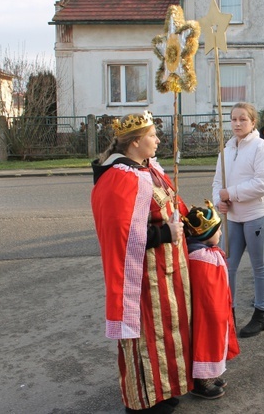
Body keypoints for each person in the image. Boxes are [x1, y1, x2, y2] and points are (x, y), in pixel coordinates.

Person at [91, 111, 192, 413]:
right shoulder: (120, 179)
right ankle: (145, 400)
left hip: (166, 271)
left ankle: (164, 389)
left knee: (168, 331)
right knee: (146, 335)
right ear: (135, 142)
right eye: (152, 136)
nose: (158, 140)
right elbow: (121, 234)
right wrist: (164, 233)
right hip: (142, 276)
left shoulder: (148, 168)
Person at [213, 102, 264, 338]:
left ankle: (261, 314)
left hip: (257, 215)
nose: (237, 123)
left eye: (243, 119)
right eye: (233, 119)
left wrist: (232, 194)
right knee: (227, 265)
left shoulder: (262, 148)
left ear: (253, 123)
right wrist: (219, 201)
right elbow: (217, 183)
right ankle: (227, 313)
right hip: (232, 216)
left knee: (260, 265)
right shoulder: (226, 149)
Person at [183, 201, 240, 400]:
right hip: (206, 311)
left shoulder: (208, 254)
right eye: (218, 231)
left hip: (217, 307)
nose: (221, 234)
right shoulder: (201, 259)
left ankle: (211, 372)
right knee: (205, 337)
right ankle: (201, 380)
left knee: (215, 336)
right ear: (206, 235)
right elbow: (206, 292)